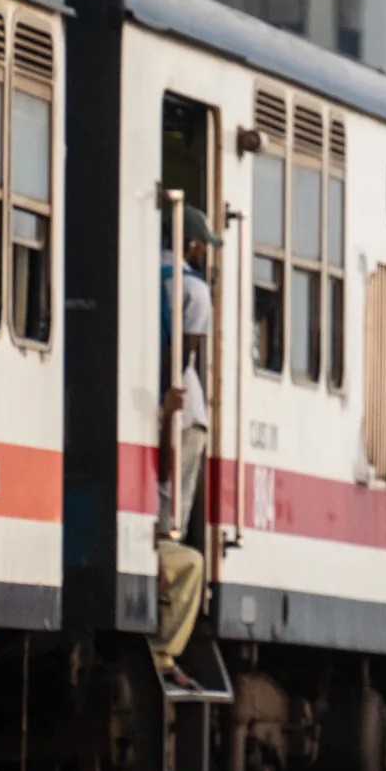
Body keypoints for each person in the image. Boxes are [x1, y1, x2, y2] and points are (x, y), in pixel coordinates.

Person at [152, 205, 218, 692]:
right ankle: (164, 645)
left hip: (146, 407)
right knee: (174, 527)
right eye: (204, 245)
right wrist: (168, 397)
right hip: (184, 413)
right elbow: (187, 355)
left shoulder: (142, 272)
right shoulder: (194, 289)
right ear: (194, 245)